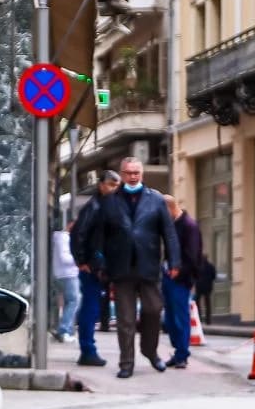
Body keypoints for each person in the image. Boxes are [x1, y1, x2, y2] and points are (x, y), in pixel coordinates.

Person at [89, 157, 181, 378]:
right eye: (128, 173)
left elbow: (169, 233)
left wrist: (174, 261)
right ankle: (126, 363)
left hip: (148, 266)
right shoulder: (110, 201)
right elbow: (99, 236)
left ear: (142, 174)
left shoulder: (156, 199)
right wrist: (98, 262)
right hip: (121, 268)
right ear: (122, 174)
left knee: (153, 310)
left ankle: (150, 351)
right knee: (126, 319)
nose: (133, 177)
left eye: (136, 172)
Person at [70, 170, 121, 366]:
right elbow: (79, 233)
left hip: (99, 266)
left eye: (117, 185)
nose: (114, 189)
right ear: (101, 185)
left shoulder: (106, 206)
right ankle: (87, 350)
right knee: (90, 307)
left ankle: (88, 349)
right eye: (111, 184)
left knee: (93, 307)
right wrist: (82, 260)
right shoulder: (95, 207)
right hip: (91, 267)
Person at [162, 194, 203, 368]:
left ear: (170, 208)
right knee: (170, 318)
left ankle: (182, 354)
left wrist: (179, 272)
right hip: (168, 275)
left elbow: (193, 256)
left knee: (180, 317)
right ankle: (178, 350)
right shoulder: (172, 225)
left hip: (180, 279)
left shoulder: (189, 226)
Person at [51, 224, 79, 342]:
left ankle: (67, 330)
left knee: (71, 302)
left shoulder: (62, 238)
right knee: (73, 301)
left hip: (66, 273)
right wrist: (79, 259)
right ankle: (64, 330)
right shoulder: (63, 238)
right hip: (68, 274)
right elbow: (64, 258)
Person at [195, 254, 217, 325]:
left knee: (197, 303)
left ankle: (199, 318)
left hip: (199, 287)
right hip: (207, 287)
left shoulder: (198, 266)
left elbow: (194, 275)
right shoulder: (211, 266)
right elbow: (214, 276)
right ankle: (208, 320)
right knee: (207, 303)